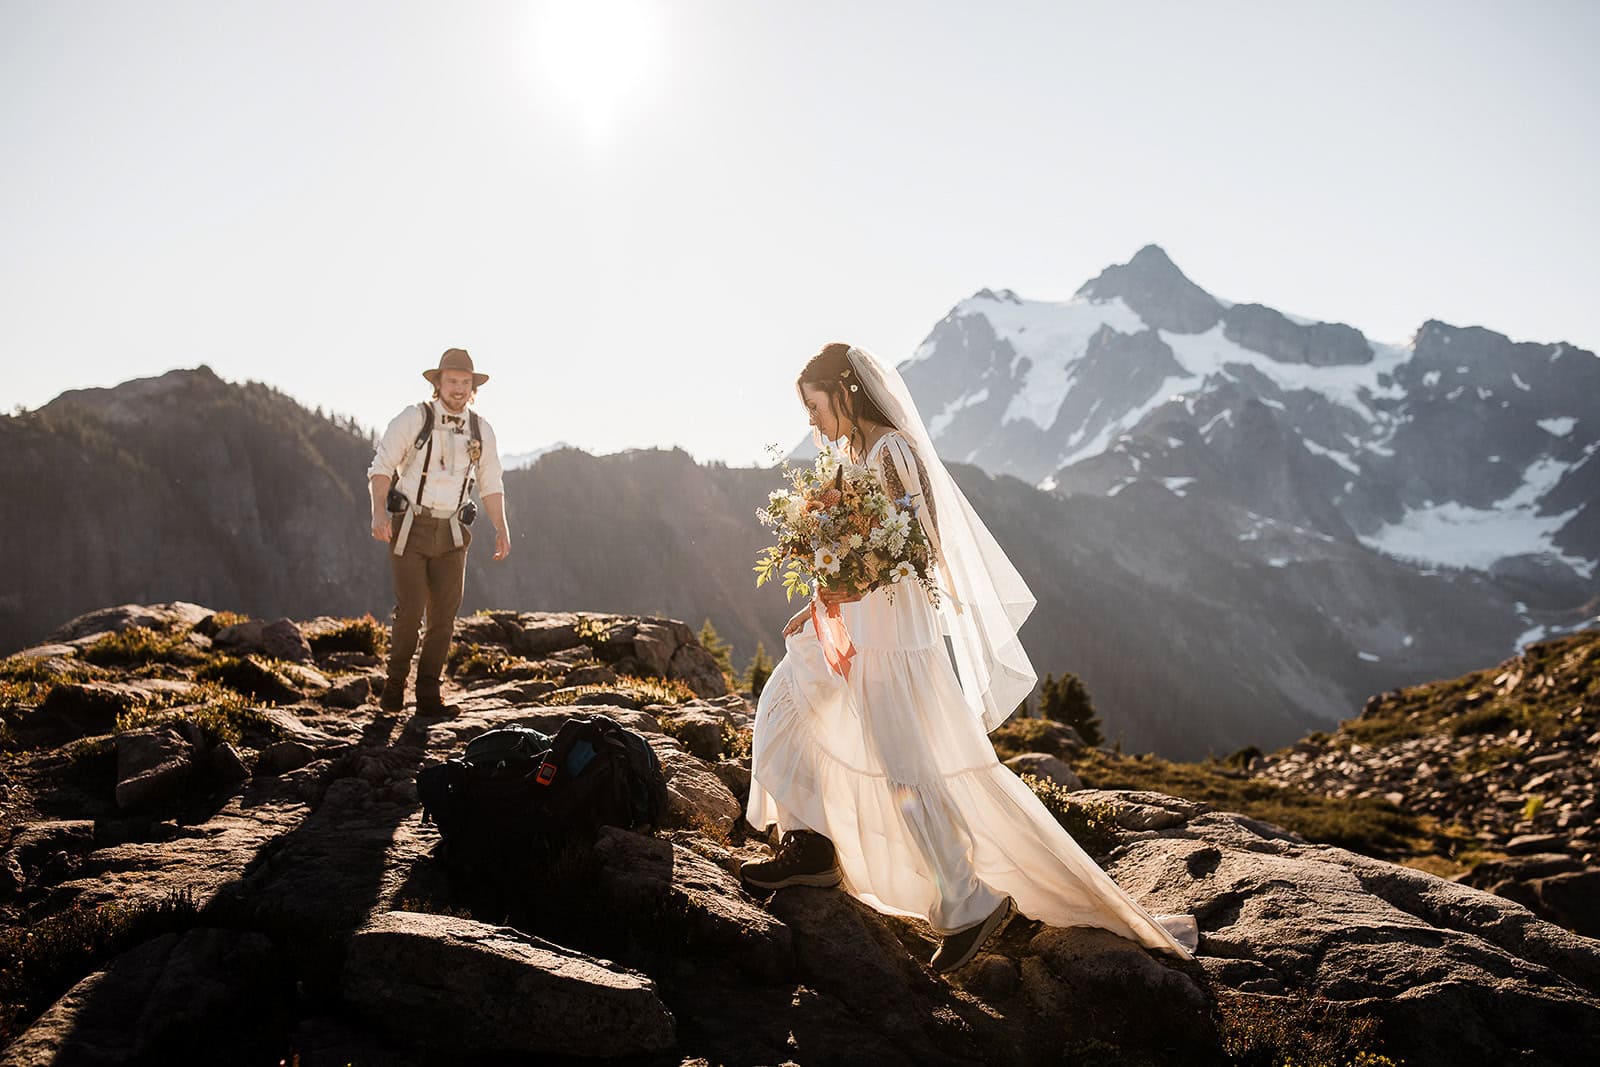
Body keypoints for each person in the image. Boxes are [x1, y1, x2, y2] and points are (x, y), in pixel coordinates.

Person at [742, 342, 1198, 973]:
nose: (812, 423)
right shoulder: (851, 457)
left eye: (815, 407)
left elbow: (921, 546)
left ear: (845, 393)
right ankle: (811, 843)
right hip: (866, 623)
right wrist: (827, 595)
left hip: (895, 634)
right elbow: (862, 547)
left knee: (907, 766)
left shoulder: (892, 451)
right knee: (789, 694)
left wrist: (857, 579)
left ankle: (967, 900)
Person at [367, 348, 511, 716]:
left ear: (473, 387)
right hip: (410, 526)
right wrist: (378, 512)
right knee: (411, 610)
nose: (459, 389)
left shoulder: (481, 430)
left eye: (465, 382)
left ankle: (428, 693)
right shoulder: (415, 418)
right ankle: (395, 685)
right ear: (438, 382)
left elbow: (490, 482)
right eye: (452, 381)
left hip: (452, 531)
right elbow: (382, 466)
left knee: (444, 615)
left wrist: (501, 527)